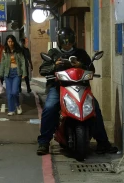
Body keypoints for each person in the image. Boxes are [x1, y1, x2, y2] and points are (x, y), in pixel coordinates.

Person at [37, 27, 119, 156]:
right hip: (58, 87)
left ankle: (103, 143)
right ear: (59, 41)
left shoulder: (81, 53)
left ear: (73, 41)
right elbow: (43, 69)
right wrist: (55, 65)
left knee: (94, 109)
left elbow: (91, 69)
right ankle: (44, 142)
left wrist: (80, 65)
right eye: (64, 42)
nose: (67, 44)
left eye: (69, 42)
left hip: (81, 86)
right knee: (50, 107)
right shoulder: (53, 53)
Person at [0, 35, 27, 116]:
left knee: (15, 92)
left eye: (12, 41)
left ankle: (17, 105)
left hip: (16, 73)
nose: (10, 43)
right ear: (7, 42)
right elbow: (2, 64)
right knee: (9, 93)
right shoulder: (4, 51)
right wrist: (0, 75)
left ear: (14, 42)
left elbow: (23, 61)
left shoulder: (18, 50)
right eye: (9, 41)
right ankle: (11, 110)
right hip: (7, 74)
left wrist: (24, 73)